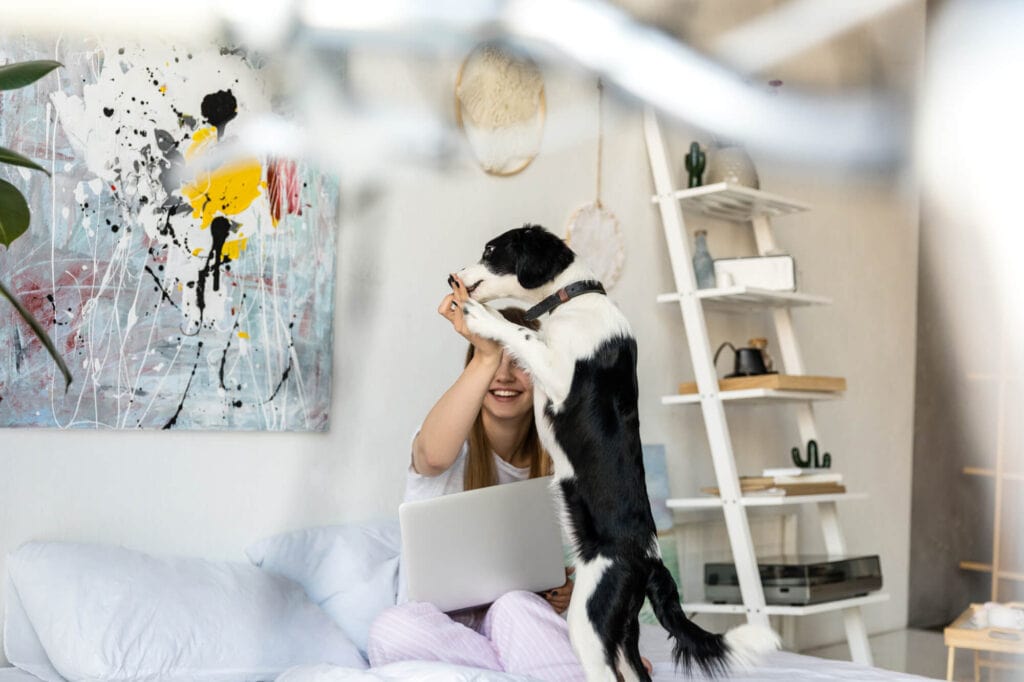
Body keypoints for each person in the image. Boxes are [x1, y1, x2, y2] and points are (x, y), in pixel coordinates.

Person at [367, 276, 652, 680]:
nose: (504, 376)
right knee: (390, 630)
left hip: (516, 622)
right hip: (439, 630)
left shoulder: (563, 463)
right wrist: (487, 351)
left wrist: (568, 594)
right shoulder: (449, 444)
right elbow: (431, 455)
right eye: (489, 361)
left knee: (514, 604)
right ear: (473, 370)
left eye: (518, 360)